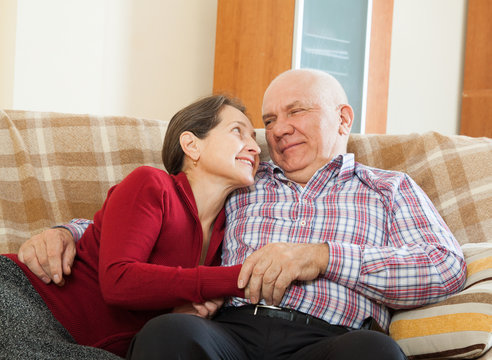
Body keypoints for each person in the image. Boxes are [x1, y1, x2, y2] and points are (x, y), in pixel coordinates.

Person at [18, 69, 467, 360]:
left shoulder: (389, 188)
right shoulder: (245, 181)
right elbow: (166, 217)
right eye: (269, 119)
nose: (277, 129)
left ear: (343, 119)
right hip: (231, 333)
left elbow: (445, 266)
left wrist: (324, 256)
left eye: (297, 111)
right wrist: (67, 232)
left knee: (377, 354)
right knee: (169, 335)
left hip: (331, 339)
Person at [1, 95, 261, 359]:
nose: (255, 147)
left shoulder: (228, 236)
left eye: (254, 137)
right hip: (24, 298)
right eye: (238, 131)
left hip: (89, 346)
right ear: (192, 145)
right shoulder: (151, 184)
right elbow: (119, 280)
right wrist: (241, 279)